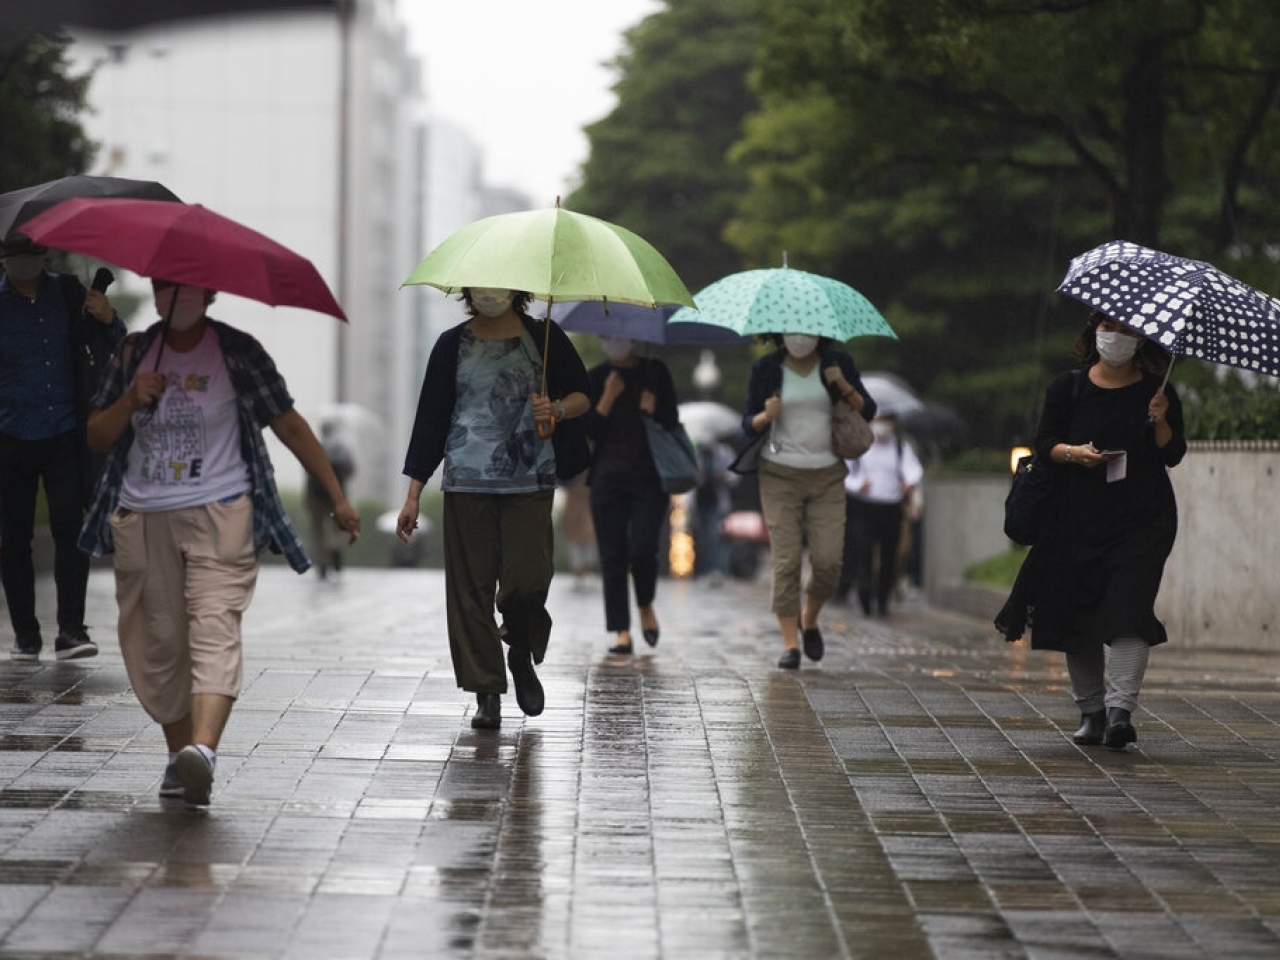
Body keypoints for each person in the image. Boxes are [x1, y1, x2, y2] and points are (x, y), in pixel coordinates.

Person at [80, 279, 361, 807]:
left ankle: (203, 753)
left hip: (221, 509)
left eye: (184, 287)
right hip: (146, 515)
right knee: (159, 643)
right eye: (163, 286)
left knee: (215, 624)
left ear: (208, 292)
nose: (172, 296)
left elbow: (290, 425)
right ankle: (178, 757)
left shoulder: (238, 352)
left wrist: (336, 496)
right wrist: (130, 398)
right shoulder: (134, 351)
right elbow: (97, 434)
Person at [396, 288, 590, 731]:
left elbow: (584, 394)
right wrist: (413, 495)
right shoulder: (452, 344)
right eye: (479, 283)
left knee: (528, 579)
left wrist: (556, 408)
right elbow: (431, 419)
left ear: (516, 288)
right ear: (466, 290)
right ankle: (487, 691)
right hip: (466, 483)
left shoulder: (542, 336)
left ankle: (519, 649)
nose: (488, 291)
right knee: (471, 591)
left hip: (530, 481)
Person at [996, 311, 1184, 750]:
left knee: (1129, 611)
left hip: (1142, 520)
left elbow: (1173, 453)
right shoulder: (1068, 387)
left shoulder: (1159, 391)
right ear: (1092, 332)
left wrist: (1161, 419)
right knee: (1076, 615)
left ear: (1142, 341)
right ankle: (1092, 713)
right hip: (1074, 517)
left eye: (1126, 330)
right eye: (1107, 327)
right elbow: (1044, 444)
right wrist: (1073, 453)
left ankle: (1121, 713)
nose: (1115, 337)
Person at [0, 238, 124, 662]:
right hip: (9, 434)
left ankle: (71, 630)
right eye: (13, 251)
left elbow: (112, 340)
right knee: (11, 538)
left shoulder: (69, 293)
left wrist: (108, 318)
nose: (22, 259)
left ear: (45, 253)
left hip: (64, 431)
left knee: (71, 528)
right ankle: (25, 635)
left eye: (29, 249)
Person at [740, 333, 876, 669]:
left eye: (807, 329)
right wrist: (764, 416)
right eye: (792, 328)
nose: (800, 336)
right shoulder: (767, 368)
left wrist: (843, 385)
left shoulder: (837, 363)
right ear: (780, 332)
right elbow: (747, 424)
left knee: (829, 561)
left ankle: (809, 618)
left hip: (827, 475)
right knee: (785, 562)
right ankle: (790, 644)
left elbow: (868, 411)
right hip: (779, 475)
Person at [583, 335, 679, 655]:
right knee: (612, 557)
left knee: (643, 550)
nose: (613, 341)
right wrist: (608, 397)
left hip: (649, 480)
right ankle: (621, 631)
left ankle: (645, 604)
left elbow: (673, 421)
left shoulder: (655, 372)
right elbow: (589, 431)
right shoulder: (597, 377)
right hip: (606, 480)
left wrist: (653, 409)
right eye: (607, 335)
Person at [840, 414, 923, 617]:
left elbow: (914, 471)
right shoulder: (859, 447)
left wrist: (908, 484)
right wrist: (859, 485)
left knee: (889, 555)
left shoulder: (900, 447)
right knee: (864, 553)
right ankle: (865, 594)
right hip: (864, 507)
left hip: (891, 506)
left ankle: (883, 598)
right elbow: (843, 473)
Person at [306, 420, 356, 579]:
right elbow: (351, 470)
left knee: (318, 531)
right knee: (341, 528)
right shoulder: (341, 449)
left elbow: (307, 468)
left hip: (316, 496)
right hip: (337, 496)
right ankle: (334, 547)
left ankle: (322, 563)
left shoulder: (314, 447)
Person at [560, 469, 596, 591]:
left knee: (589, 534)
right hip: (573, 497)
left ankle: (587, 570)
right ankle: (578, 572)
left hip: (589, 497)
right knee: (574, 537)